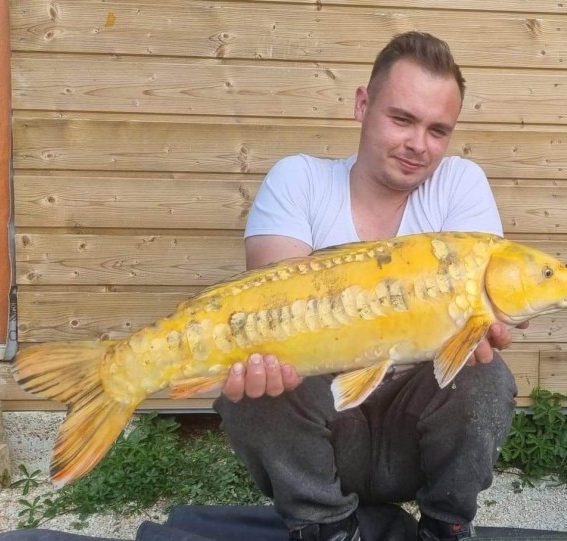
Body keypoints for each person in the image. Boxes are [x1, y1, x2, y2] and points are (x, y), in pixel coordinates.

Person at [213, 31, 522, 541]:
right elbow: (276, 309)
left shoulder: (461, 184)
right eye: (402, 119)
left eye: (438, 130)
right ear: (362, 104)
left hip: (415, 433)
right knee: (257, 375)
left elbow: (488, 313)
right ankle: (324, 526)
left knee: (485, 374)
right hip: (326, 431)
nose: (418, 145)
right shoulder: (298, 179)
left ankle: (447, 524)